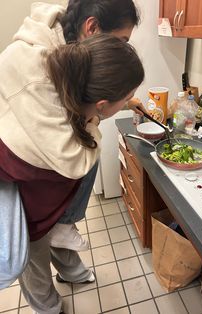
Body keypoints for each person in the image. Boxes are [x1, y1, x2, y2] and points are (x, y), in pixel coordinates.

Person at [0, 32, 144, 313]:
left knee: (61, 232)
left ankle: (73, 272)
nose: (130, 100)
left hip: (53, 211)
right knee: (35, 266)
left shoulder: (66, 85)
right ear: (101, 104)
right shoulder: (62, 149)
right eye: (127, 96)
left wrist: (122, 104)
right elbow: (82, 155)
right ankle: (49, 308)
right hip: (29, 217)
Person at [21, 0, 146, 251]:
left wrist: (125, 101)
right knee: (33, 250)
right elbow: (70, 154)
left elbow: (94, 94)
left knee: (57, 231)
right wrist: (97, 120)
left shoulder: (74, 47)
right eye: (121, 40)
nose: (122, 48)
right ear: (93, 27)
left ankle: (65, 242)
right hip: (22, 177)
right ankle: (46, 288)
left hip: (36, 161)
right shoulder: (39, 68)